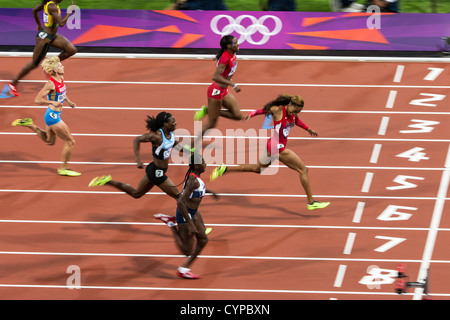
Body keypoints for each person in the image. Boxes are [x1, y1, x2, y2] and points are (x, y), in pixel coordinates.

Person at [210, 94, 330, 211]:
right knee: (303, 170)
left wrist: (308, 129)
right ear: (290, 104)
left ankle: (225, 169)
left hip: (272, 146)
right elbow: (262, 110)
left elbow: (297, 120)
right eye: (295, 110)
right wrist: (250, 115)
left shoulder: (293, 114)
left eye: (298, 112)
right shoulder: (277, 110)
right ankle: (311, 202)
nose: (295, 113)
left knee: (257, 169)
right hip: (277, 148)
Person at [88, 112, 185, 200]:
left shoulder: (171, 135)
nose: (176, 123)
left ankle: (107, 181)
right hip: (157, 172)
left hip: (155, 169)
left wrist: (193, 153)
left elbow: (178, 147)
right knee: (178, 196)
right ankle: (184, 218)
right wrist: (138, 160)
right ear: (165, 124)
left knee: (136, 193)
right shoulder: (156, 137)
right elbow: (137, 140)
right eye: (173, 121)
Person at [11, 56, 80, 176]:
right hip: (52, 116)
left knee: (49, 141)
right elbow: (37, 100)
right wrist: (52, 102)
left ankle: (30, 124)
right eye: (60, 66)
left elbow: (62, 92)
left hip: (55, 114)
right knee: (70, 141)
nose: (63, 66)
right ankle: (64, 168)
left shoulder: (61, 78)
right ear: (55, 70)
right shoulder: (50, 84)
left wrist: (68, 101)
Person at [154, 153, 217, 279]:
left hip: (193, 212)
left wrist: (210, 192)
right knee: (186, 251)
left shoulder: (195, 178)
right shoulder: (193, 180)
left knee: (203, 239)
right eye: (203, 162)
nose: (205, 164)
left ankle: (184, 269)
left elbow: (195, 191)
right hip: (185, 214)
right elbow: (180, 202)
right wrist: (191, 224)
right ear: (196, 165)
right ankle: (171, 224)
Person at [7, 0, 77, 97]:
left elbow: (35, 10)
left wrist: (39, 25)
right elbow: (61, 23)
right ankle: (13, 83)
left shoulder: (49, 3)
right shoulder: (52, 7)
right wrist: (69, 12)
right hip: (45, 38)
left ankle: (49, 65)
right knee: (34, 64)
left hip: (52, 36)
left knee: (71, 50)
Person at [193, 35, 245, 147]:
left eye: (237, 42)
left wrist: (229, 82)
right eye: (234, 43)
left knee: (237, 115)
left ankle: (208, 110)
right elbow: (215, 77)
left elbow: (226, 74)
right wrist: (233, 84)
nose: (238, 44)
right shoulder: (225, 58)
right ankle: (191, 146)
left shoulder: (233, 54)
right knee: (211, 124)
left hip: (223, 90)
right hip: (215, 91)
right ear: (228, 46)